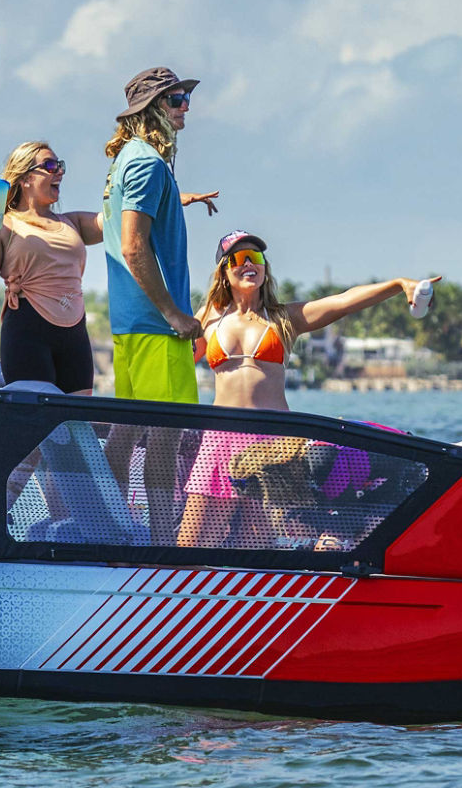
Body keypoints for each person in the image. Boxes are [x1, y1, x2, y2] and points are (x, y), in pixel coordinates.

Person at [177, 230, 436, 549]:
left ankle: (262, 595)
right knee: (192, 542)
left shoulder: (285, 318)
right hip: (219, 439)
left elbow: (342, 302)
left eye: (256, 258)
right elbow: (177, 362)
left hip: (272, 443)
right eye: (240, 258)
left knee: (257, 545)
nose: (250, 264)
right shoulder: (208, 319)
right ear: (224, 270)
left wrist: (398, 284)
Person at [99, 67, 219, 543]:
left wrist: (176, 199)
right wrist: (173, 313)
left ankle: (105, 527)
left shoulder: (129, 160)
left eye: (185, 97)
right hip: (156, 324)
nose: (185, 106)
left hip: (131, 324)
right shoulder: (147, 162)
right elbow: (133, 246)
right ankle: (160, 542)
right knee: (165, 438)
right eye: (175, 99)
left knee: (128, 434)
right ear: (152, 109)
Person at [0, 141, 102, 394]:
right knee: (38, 425)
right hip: (28, 333)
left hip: (75, 335)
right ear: (26, 178)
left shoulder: (73, 222)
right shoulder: (5, 225)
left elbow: (119, 220)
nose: (59, 171)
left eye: (60, 166)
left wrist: (160, 193)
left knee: (81, 425)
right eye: (50, 166)